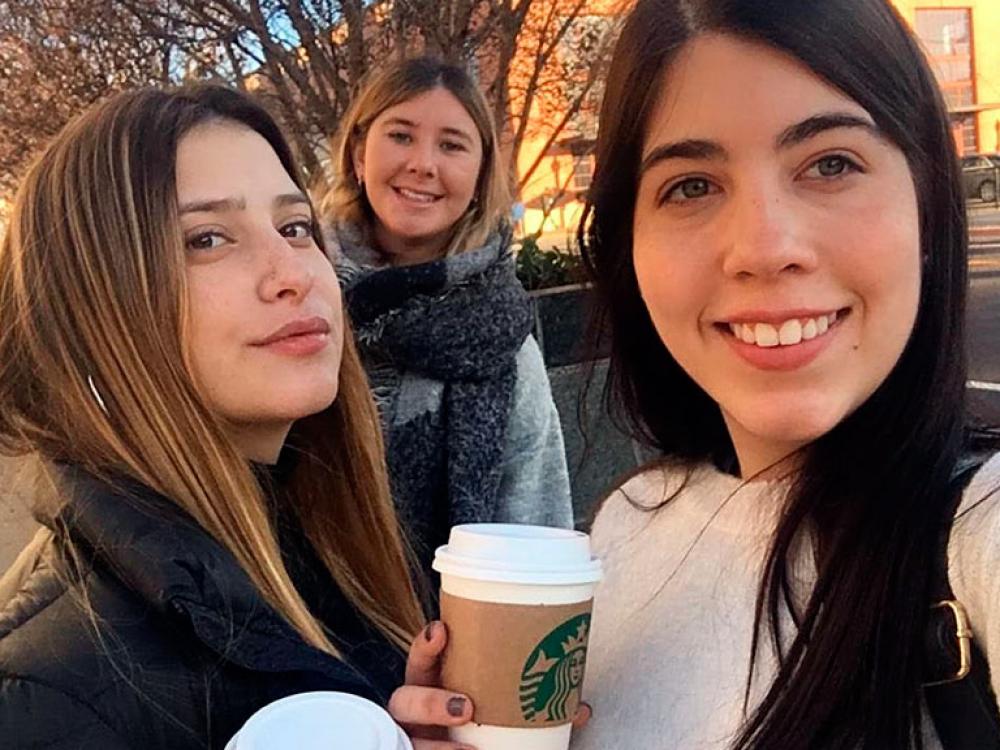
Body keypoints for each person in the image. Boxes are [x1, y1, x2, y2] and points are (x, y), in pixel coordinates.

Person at [570, 1, 1000, 748]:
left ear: (929, 202)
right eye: (692, 186)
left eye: (831, 164)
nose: (765, 247)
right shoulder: (626, 524)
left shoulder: (979, 534)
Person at [0, 84, 477, 749]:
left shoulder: (327, 549)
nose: (292, 272)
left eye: (294, 227)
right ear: (92, 311)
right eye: (208, 238)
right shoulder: (51, 691)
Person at [322, 57, 573, 584]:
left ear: (481, 177)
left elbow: (539, 532)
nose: (423, 164)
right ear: (358, 155)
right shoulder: (299, 298)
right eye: (401, 135)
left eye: (452, 145)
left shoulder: (501, 342)